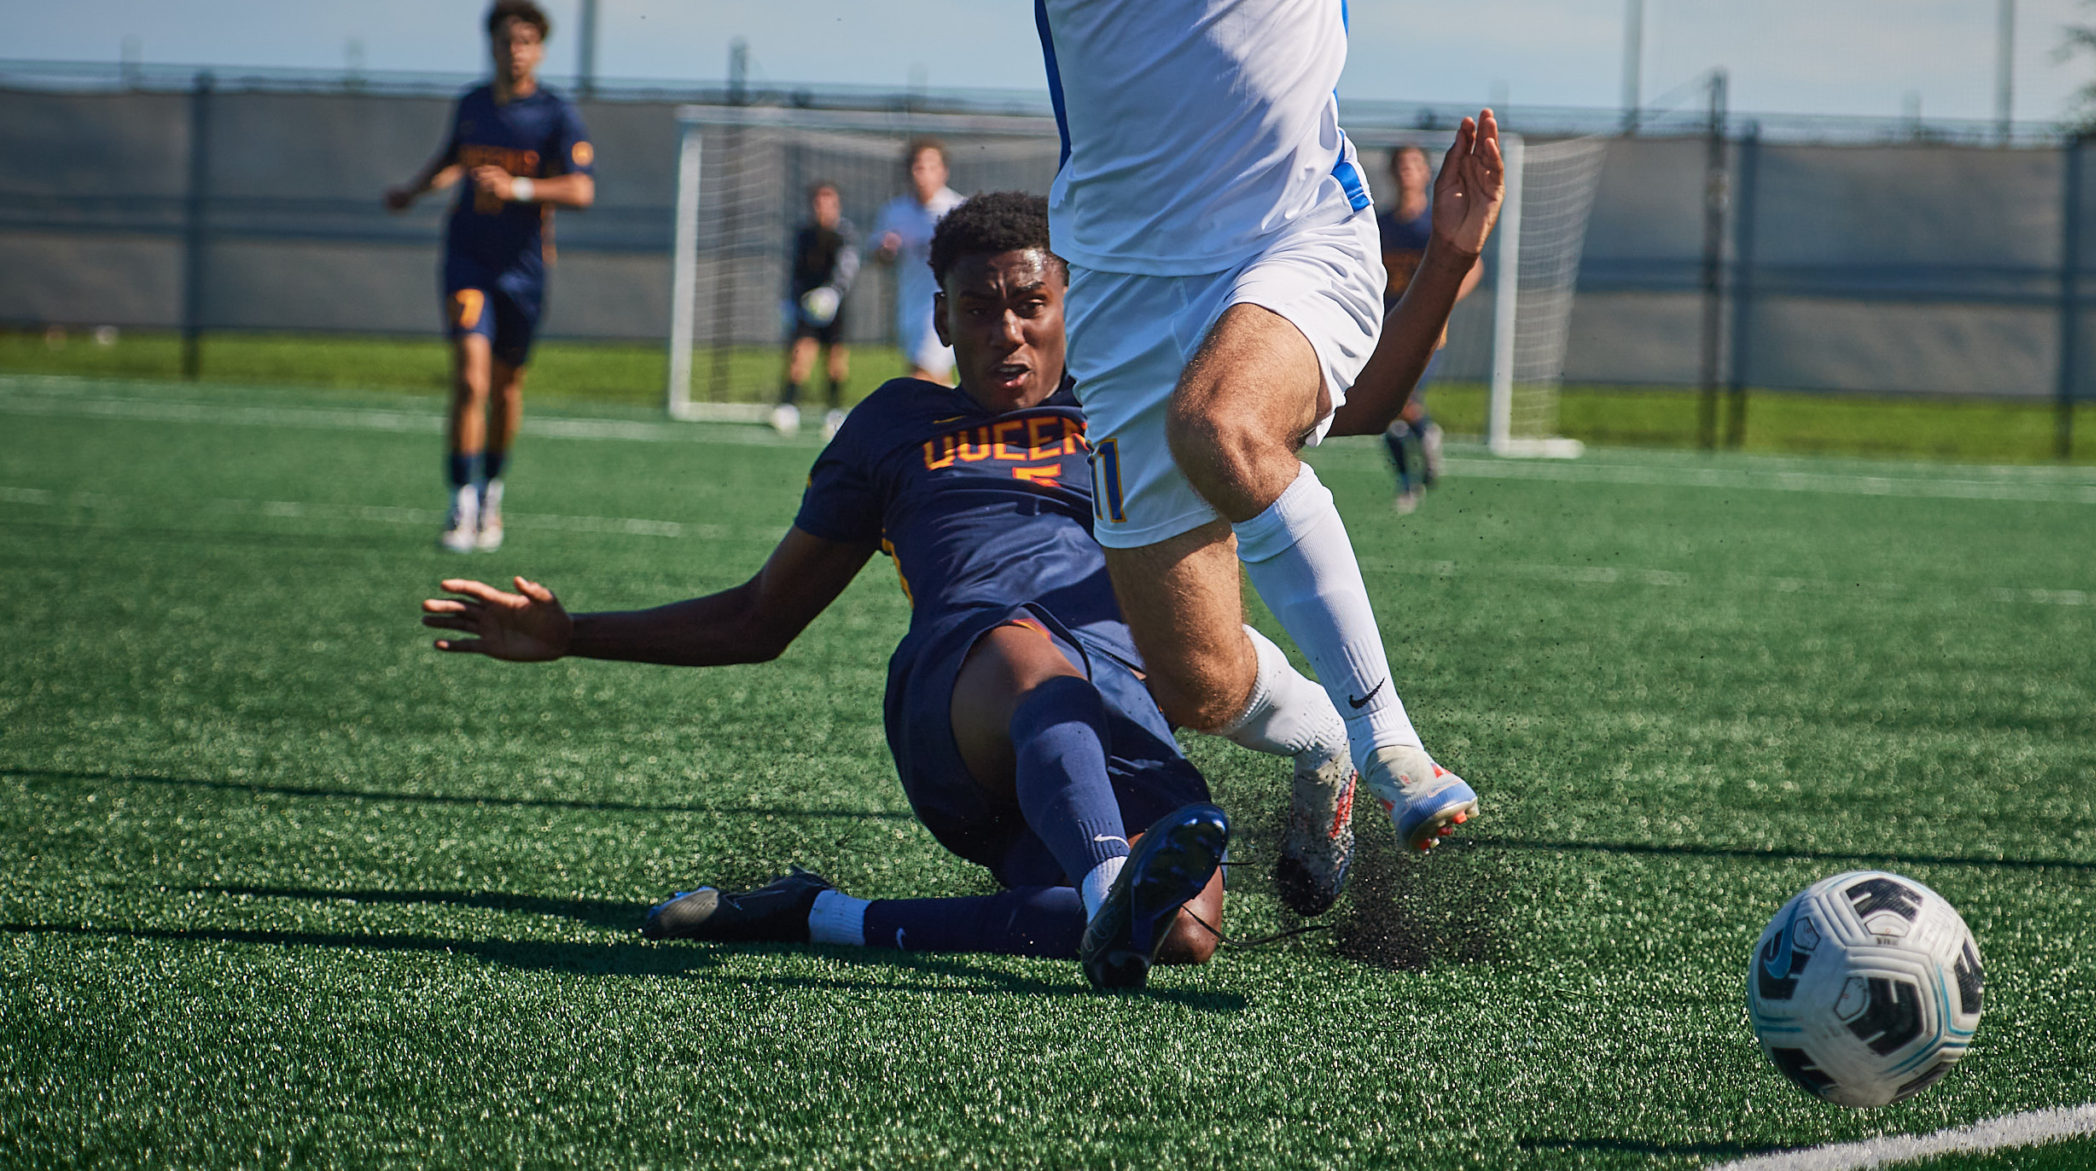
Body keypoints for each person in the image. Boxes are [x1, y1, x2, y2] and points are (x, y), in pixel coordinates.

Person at [803, 0, 1831, 854]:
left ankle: (1394, 740)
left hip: (1300, 243)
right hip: (1116, 289)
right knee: (1199, 677)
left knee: (1227, 427)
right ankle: (1325, 751)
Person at [419, 125, 1499, 992]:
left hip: (1114, 693)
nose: (1009, 333)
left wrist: (1447, 257)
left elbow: (1369, 405)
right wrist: (572, 637)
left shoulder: (1129, 403)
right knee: (1031, 658)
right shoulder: (897, 421)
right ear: (940, 315)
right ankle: (1113, 875)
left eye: (1031, 304)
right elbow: (760, 620)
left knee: (1184, 938)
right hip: (963, 701)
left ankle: (826, 915)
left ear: (1070, 305)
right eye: (980, 310)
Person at [386, 0, 596, 554]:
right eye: (507, 41)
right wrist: (413, 190)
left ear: (541, 51)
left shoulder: (555, 114)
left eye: (526, 42)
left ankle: (493, 489)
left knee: (506, 390)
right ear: (493, 47)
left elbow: (581, 189)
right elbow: (451, 159)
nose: (516, 52)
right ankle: (462, 502)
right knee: (471, 380)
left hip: (524, 271)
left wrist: (519, 188)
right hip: (468, 258)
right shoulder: (473, 104)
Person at [1375, 144, 1478, 514]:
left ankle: (1425, 436)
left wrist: (1442, 305)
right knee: (1383, 412)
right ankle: (1409, 475)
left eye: (1414, 164)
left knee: (1398, 402)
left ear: (1426, 173)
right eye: (1400, 164)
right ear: (1391, 172)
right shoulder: (1379, 225)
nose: (1407, 170)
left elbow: (1472, 267)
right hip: (1384, 331)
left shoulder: (1435, 225)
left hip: (1426, 335)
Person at [873, 139, 964, 383]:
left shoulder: (956, 209)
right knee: (933, 376)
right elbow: (879, 259)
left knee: (920, 378)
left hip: (944, 305)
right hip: (910, 303)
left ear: (944, 171)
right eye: (918, 167)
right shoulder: (895, 211)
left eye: (931, 167)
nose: (923, 174)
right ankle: (953, 421)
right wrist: (886, 250)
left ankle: (901, 420)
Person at [774, 182, 859, 437]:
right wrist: (790, 302)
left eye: (829, 203)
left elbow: (848, 268)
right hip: (806, 306)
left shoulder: (844, 234)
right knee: (800, 356)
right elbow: (795, 272)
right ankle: (787, 407)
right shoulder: (803, 234)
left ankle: (834, 411)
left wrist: (833, 293)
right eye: (818, 203)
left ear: (837, 206)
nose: (823, 209)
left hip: (835, 305)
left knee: (835, 360)